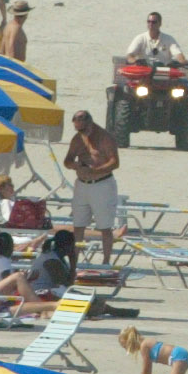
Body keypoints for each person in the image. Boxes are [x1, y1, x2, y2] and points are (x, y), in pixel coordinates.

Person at [64, 109, 122, 264]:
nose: (81, 132)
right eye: (77, 129)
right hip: (82, 185)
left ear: (89, 123)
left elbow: (115, 162)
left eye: (82, 129)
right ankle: (74, 260)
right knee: (78, 225)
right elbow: (67, 160)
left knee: (105, 226)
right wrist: (75, 165)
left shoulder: (105, 138)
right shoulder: (77, 139)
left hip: (102, 184)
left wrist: (95, 170)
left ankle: (106, 261)